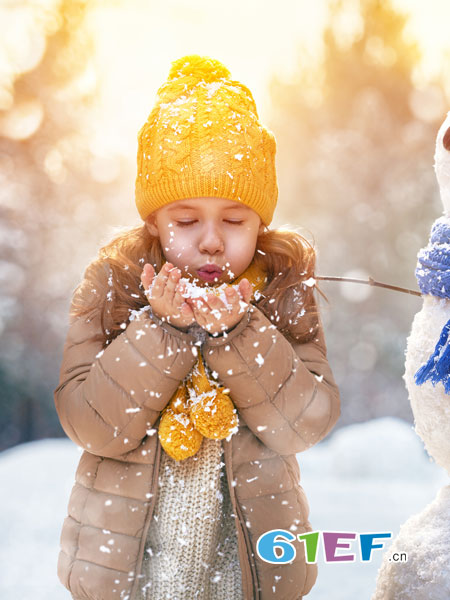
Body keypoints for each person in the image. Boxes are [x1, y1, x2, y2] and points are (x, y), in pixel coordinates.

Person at [54, 54, 340, 600]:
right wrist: (162, 331)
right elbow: (91, 423)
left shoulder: (280, 293)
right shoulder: (113, 287)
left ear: (261, 224)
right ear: (154, 223)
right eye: (186, 220)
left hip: (248, 573)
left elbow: (305, 423)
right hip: (127, 573)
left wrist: (241, 333)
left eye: (234, 220)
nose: (211, 240)